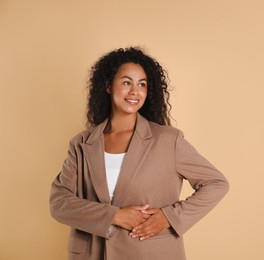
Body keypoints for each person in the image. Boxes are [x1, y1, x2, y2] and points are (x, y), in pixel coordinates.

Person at [49, 47, 229, 260]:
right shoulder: (81, 143)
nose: (135, 91)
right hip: (93, 253)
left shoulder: (168, 140)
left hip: (149, 252)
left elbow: (216, 183)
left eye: (142, 84)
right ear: (108, 86)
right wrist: (114, 216)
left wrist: (169, 217)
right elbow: (59, 203)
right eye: (126, 82)